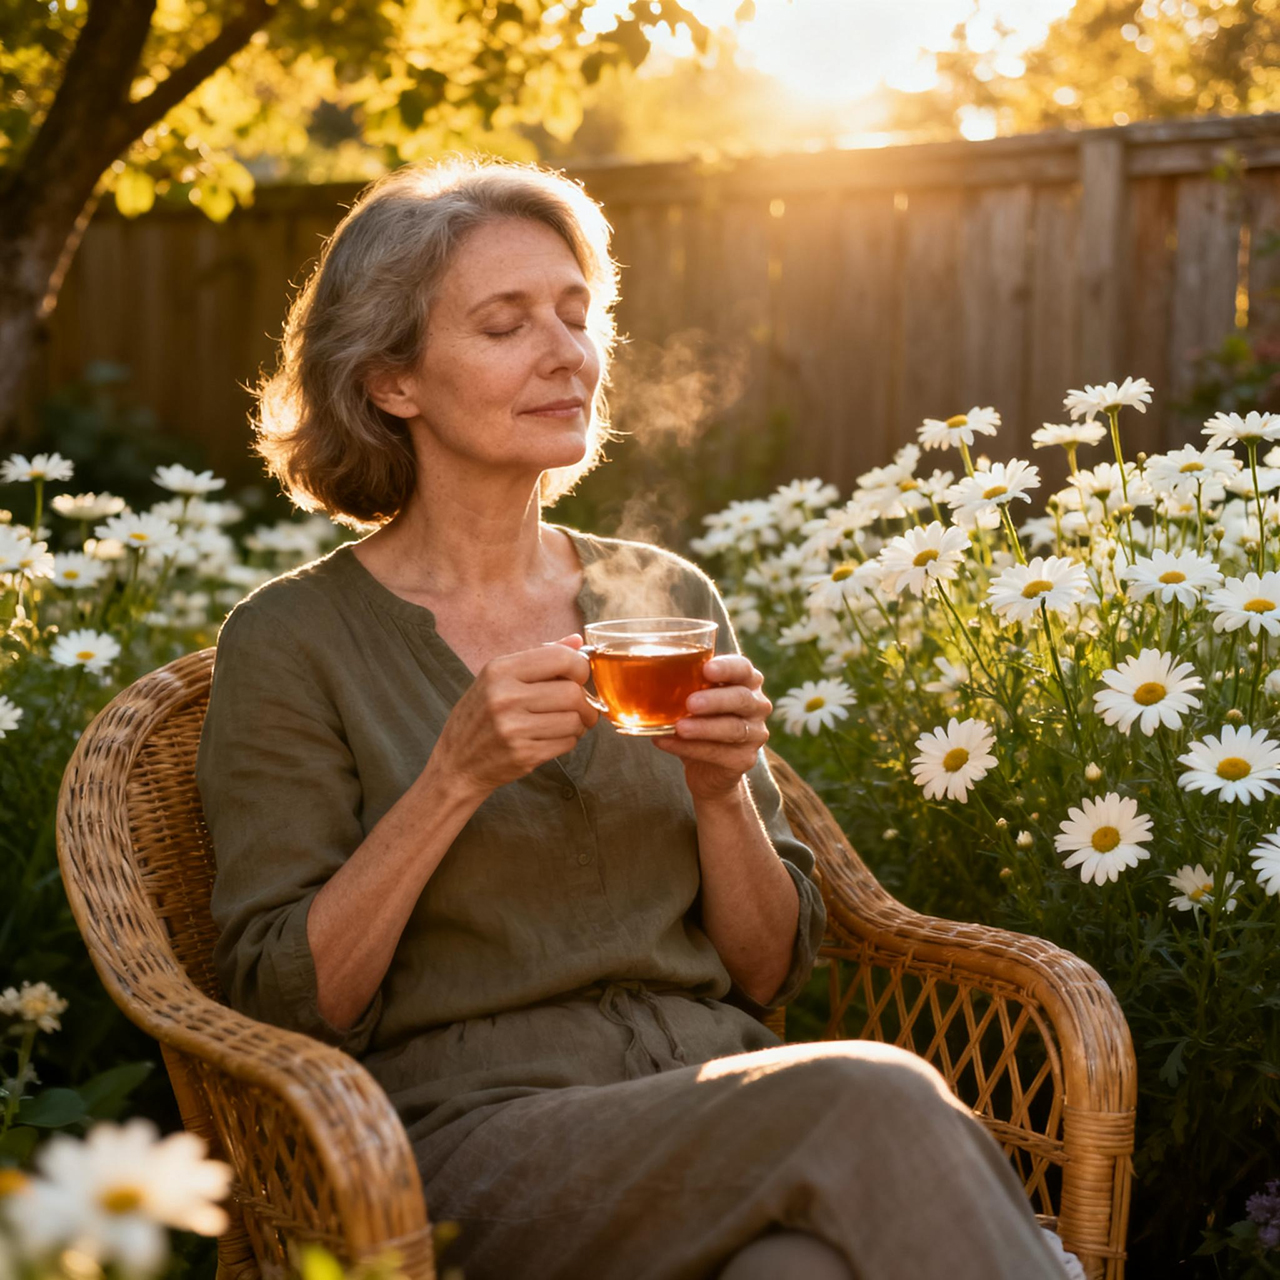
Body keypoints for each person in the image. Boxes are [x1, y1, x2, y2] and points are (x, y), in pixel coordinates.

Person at [195, 157, 1071, 1280]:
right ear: (390, 381)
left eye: (576, 314)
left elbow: (765, 970)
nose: (567, 354)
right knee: (870, 1090)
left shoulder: (662, 597)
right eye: (505, 325)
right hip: (462, 1146)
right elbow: (288, 1001)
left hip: (707, 1103)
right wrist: (452, 777)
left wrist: (719, 796)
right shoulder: (294, 639)